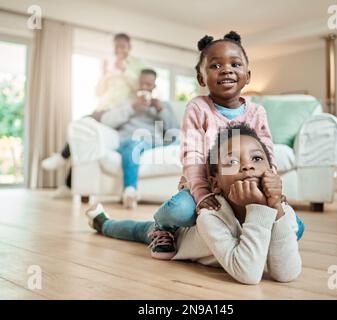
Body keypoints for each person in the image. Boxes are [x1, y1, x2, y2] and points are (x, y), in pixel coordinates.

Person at [131, 31, 304, 259]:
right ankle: (163, 227)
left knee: (296, 228)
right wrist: (202, 195)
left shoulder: (257, 112)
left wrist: (272, 187)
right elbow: (192, 155)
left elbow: (267, 154)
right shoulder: (197, 108)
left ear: (248, 74)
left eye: (235, 63)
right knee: (179, 211)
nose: (226, 69)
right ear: (201, 78)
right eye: (215, 66)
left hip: (241, 186)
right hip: (205, 187)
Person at [86, 124, 302, 284]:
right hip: (180, 236)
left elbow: (287, 273)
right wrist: (257, 209)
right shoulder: (212, 214)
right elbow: (248, 274)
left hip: (266, 213)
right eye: (232, 162)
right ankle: (103, 222)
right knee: (136, 230)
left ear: (272, 171)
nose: (247, 167)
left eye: (256, 159)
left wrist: (276, 208)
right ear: (215, 183)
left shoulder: (282, 210)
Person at [42, 33, 138, 198]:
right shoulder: (111, 67)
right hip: (102, 111)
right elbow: (99, 92)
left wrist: (124, 70)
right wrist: (103, 73)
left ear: (129, 48)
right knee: (82, 139)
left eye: (123, 46)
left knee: (83, 124)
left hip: (118, 116)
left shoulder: (136, 65)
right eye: (117, 46)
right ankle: (67, 185)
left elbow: (139, 87)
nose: (119, 50)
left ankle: (62, 156)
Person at [100, 69, 179, 208]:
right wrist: (132, 107)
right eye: (141, 84)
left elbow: (174, 131)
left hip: (154, 142)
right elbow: (106, 121)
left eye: (148, 84)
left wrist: (160, 110)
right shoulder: (128, 102)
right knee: (133, 145)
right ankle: (130, 190)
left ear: (154, 87)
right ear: (137, 85)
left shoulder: (163, 105)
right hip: (131, 140)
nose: (144, 87)